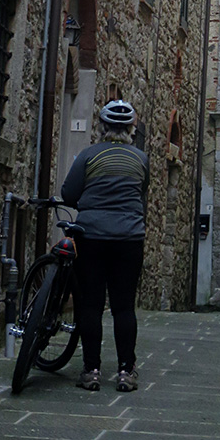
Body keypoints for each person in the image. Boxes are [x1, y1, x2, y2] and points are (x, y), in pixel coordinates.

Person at [61, 99, 150, 392]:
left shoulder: (89, 156)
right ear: (131, 129)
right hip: (129, 238)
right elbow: (142, 193)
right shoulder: (141, 159)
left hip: (92, 237)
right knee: (124, 307)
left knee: (91, 304)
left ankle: (91, 371)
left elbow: (69, 193)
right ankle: (126, 371)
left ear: (102, 127)